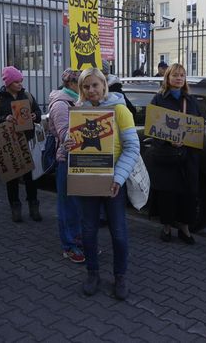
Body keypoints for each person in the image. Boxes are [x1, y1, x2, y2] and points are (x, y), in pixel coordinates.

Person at [67, 67, 140, 300]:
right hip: (87, 181)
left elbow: (132, 148)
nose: (90, 90)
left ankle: (120, 276)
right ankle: (93, 273)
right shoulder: (78, 112)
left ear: (104, 85)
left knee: (118, 233)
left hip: (113, 183)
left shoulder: (120, 111)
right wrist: (66, 145)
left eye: (95, 85)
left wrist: (118, 178)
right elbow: (68, 149)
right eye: (85, 87)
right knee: (88, 232)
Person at [147, 63, 202, 244]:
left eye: (182, 75)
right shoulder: (158, 99)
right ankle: (167, 228)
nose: (179, 78)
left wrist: (185, 140)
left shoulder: (192, 101)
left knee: (188, 194)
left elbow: (198, 128)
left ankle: (185, 229)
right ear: (168, 78)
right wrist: (168, 139)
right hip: (166, 156)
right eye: (175, 75)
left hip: (188, 158)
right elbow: (152, 128)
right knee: (167, 194)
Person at [0, 66, 43, 222]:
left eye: (21, 81)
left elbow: (38, 114)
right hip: (10, 144)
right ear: (8, 82)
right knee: (12, 179)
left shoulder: (27, 96)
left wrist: (34, 115)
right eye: (16, 81)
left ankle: (34, 207)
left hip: (27, 142)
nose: (20, 84)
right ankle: (15, 208)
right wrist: (4, 119)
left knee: (31, 178)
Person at [47, 68, 84, 263]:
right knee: (68, 206)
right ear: (71, 84)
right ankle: (69, 246)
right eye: (82, 84)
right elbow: (64, 133)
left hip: (82, 160)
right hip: (67, 160)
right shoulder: (61, 104)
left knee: (79, 205)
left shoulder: (79, 101)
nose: (86, 88)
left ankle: (78, 240)